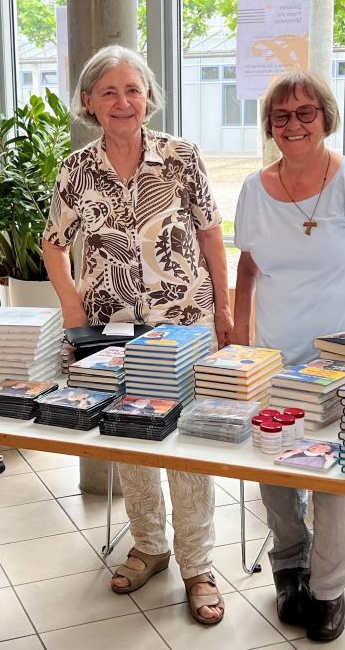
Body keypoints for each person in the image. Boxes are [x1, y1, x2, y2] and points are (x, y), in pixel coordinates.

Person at [42, 44, 232, 625]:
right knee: (132, 437)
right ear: (88, 103)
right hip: (112, 329)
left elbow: (210, 235)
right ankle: (150, 544)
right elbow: (54, 244)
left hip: (184, 322)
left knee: (187, 445)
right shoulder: (77, 169)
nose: (124, 102)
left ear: (150, 97)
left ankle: (198, 564)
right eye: (109, 91)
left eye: (134, 90)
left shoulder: (182, 156)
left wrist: (225, 312)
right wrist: (74, 310)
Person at [230, 70, 345, 642]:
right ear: (269, 126)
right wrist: (241, 335)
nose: (294, 125)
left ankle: (329, 590)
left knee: (342, 476)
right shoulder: (254, 188)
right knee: (277, 466)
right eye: (281, 116)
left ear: (326, 118)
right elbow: (249, 264)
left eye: (306, 112)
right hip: (281, 359)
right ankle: (289, 567)